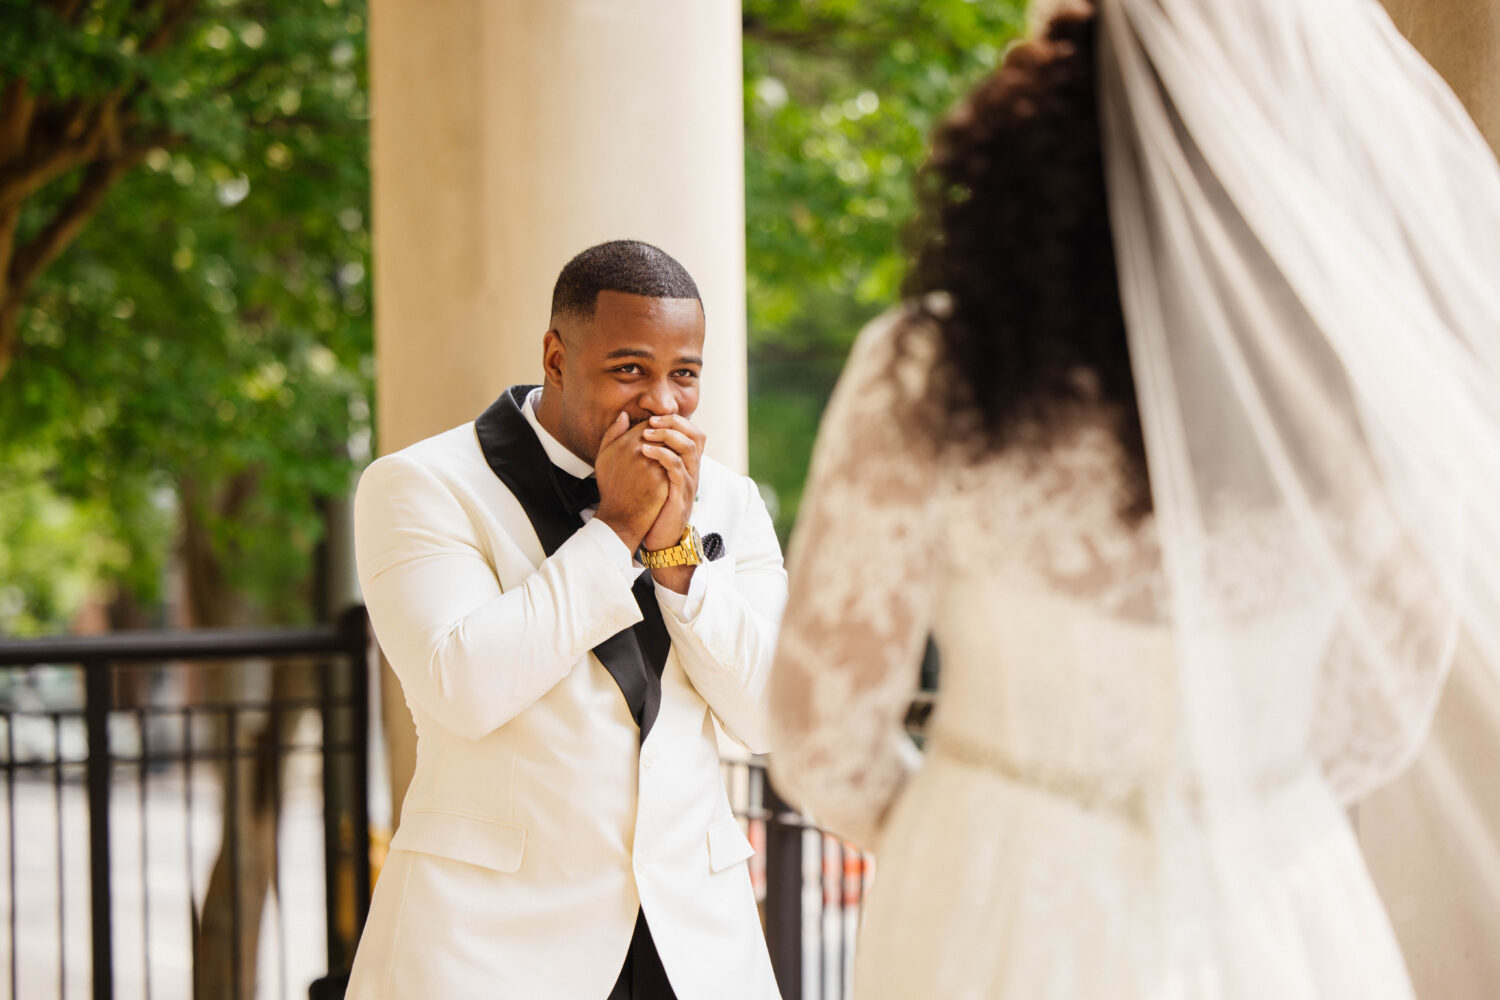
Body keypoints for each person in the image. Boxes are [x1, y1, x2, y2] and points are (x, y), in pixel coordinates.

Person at [768, 0, 1500, 997]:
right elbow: (1376, 716)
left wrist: (980, 828)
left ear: (1040, 143)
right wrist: (1230, 804)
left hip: (992, 907)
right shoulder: (1375, 397)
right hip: (1271, 907)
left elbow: (824, 739)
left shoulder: (927, 371)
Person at [346, 240, 786, 1000]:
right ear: (556, 357)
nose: (661, 403)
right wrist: (613, 532)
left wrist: (676, 556)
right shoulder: (420, 486)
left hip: (696, 949)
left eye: (684, 375)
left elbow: (778, 717)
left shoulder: (733, 501)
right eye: (629, 370)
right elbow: (464, 689)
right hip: (491, 950)